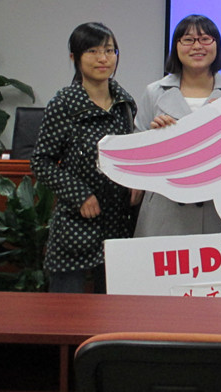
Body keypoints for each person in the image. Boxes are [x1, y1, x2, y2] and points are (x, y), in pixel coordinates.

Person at [32, 22, 138, 293]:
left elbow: (131, 154)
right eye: (93, 51)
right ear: (75, 57)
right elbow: (41, 162)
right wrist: (80, 194)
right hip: (75, 223)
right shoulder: (64, 104)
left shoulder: (125, 104)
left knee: (113, 309)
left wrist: (137, 183)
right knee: (65, 311)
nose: (103, 58)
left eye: (109, 50)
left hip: (117, 224)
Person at [134, 14, 221, 237]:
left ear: (217, 45)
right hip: (165, 211)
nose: (197, 46)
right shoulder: (154, 92)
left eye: (205, 39)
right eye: (188, 40)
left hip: (218, 210)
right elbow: (136, 154)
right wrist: (155, 138)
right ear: (176, 46)